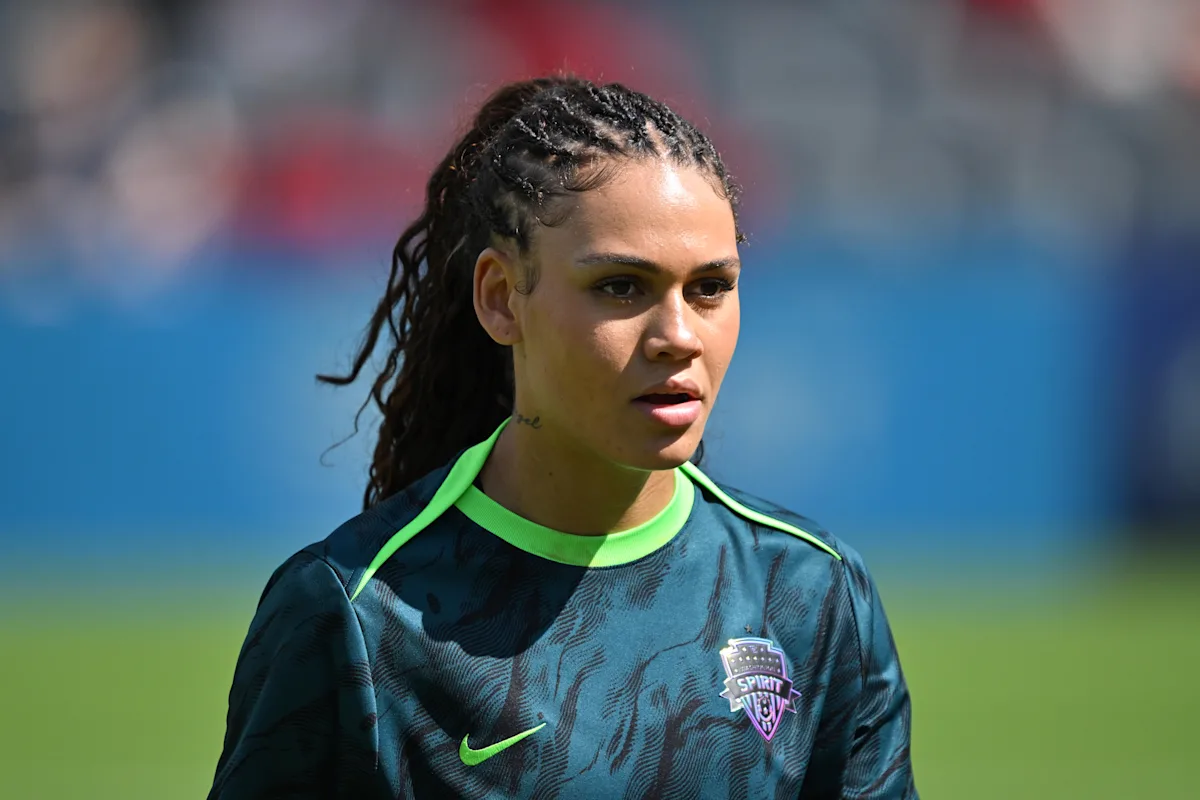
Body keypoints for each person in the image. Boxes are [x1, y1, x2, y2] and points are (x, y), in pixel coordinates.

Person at [208, 76, 917, 799]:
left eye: (709, 288)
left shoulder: (812, 595)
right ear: (500, 299)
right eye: (621, 286)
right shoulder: (355, 616)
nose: (679, 336)